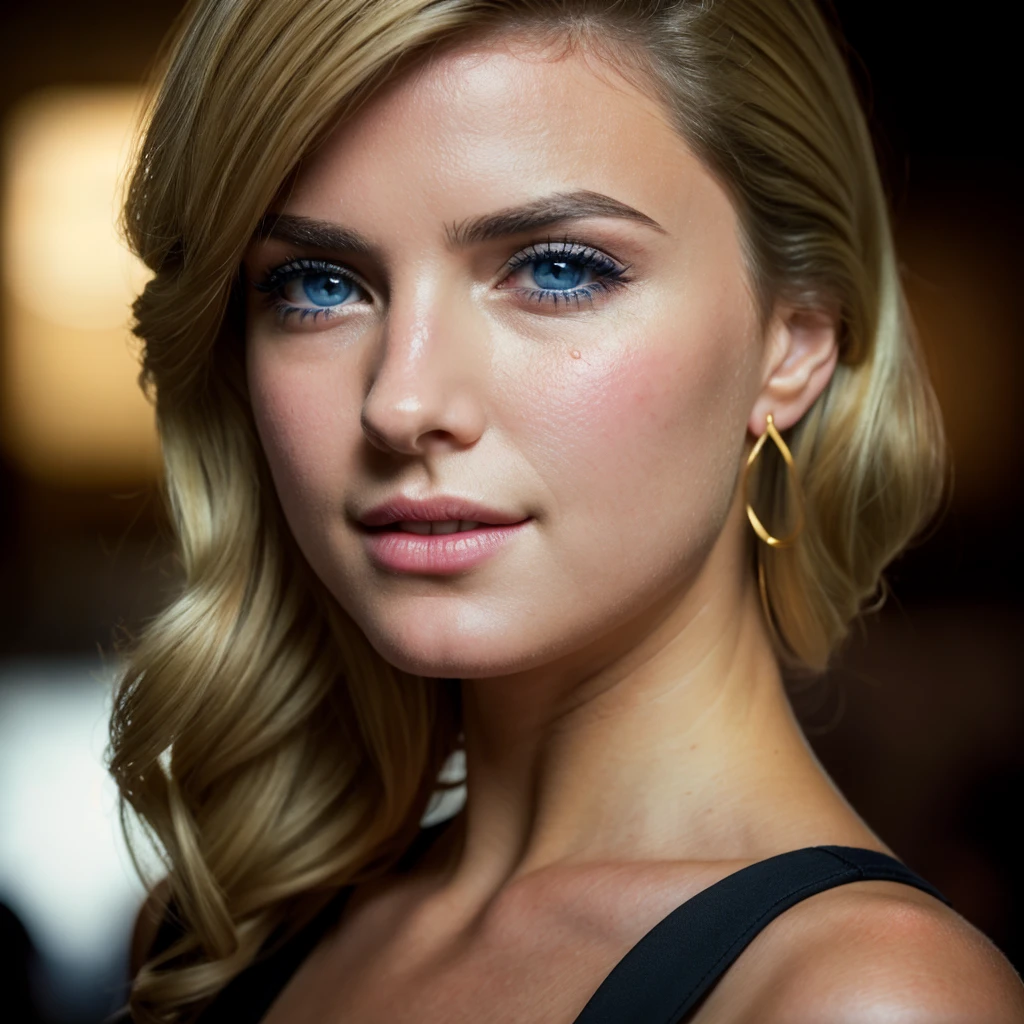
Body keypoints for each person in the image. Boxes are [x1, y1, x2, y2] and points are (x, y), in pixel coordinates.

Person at [107, 0, 1024, 1021]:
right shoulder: (224, 933)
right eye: (318, 285)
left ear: (793, 341)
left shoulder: (860, 996)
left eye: (556, 269)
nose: (400, 403)